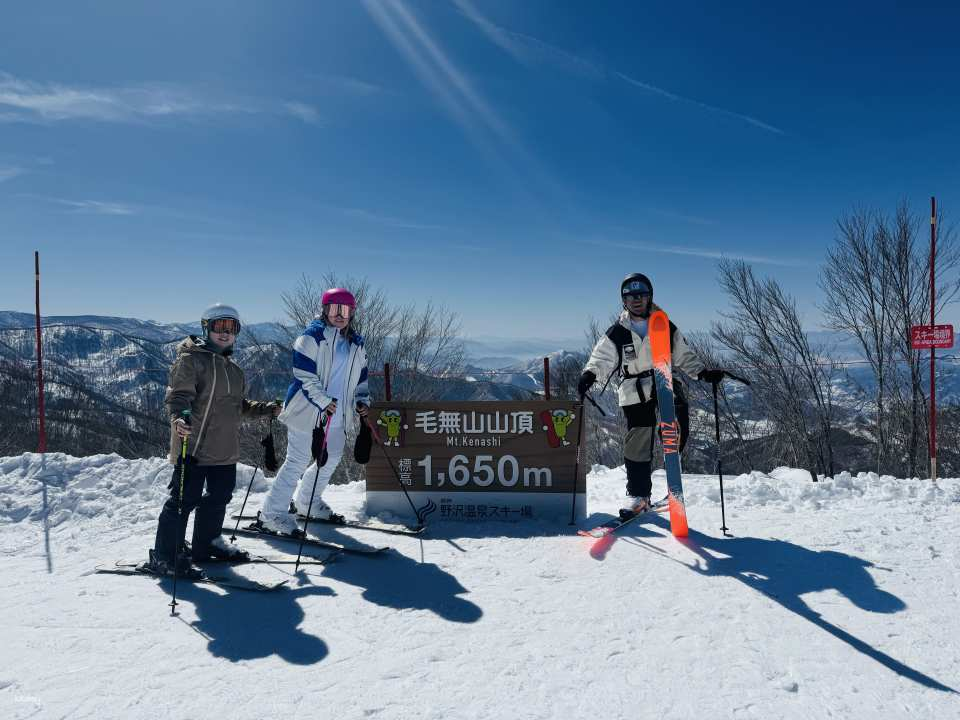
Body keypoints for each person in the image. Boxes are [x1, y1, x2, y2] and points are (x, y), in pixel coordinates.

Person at [148, 303, 280, 577]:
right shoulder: (191, 359)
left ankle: (206, 544)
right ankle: (165, 555)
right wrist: (179, 418)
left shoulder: (234, 370)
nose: (224, 333)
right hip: (193, 444)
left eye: (230, 328)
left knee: (219, 496)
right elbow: (179, 396)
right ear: (206, 328)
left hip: (224, 449)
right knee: (183, 500)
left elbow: (237, 405)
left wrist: (266, 409)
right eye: (218, 326)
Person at [578, 273, 724, 514]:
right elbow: (602, 357)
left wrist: (702, 373)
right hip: (633, 389)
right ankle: (638, 495)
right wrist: (590, 374)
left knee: (675, 428)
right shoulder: (618, 331)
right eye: (630, 296)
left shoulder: (663, 324)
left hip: (664, 381)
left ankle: (673, 485)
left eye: (641, 295)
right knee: (638, 440)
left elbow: (683, 354)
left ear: (649, 297)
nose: (636, 300)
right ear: (623, 300)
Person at [257, 288, 371, 534]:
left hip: (338, 413)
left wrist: (362, 401)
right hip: (307, 410)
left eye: (345, 310)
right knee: (297, 461)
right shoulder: (311, 337)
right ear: (324, 310)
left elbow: (361, 380)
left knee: (330, 459)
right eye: (333, 309)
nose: (339, 315)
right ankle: (271, 514)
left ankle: (307, 501)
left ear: (352, 313)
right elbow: (304, 376)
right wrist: (322, 400)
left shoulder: (356, 344)